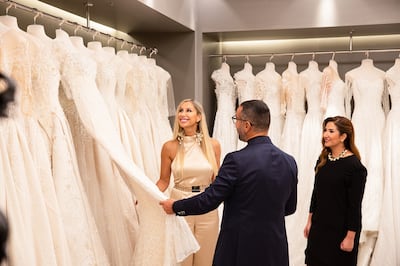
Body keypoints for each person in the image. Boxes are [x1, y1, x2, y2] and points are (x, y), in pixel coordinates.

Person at [160, 99, 298, 266]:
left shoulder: (236, 160)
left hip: (240, 248)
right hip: (275, 248)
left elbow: (210, 200)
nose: (235, 125)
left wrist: (175, 207)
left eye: (236, 120)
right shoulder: (289, 161)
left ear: (246, 125)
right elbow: (290, 208)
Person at [156, 98, 221, 266]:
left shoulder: (213, 145)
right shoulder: (169, 147)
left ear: (199, 117)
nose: (183, 114)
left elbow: (217, 181)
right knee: (181, 259)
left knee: (206, 258)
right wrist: (147, 193)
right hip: (178, 204)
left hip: (206, 206)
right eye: (180, 110)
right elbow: (163, 181)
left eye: (188, 110)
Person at [304, 116, 367, 266]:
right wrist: (309, 221)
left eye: (331, 131)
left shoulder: (355, 168)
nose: (325, 134)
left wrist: (351, 237)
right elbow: (316, 194)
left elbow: (354, 206)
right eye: (325, 130)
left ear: (343, 136)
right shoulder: (323, 159)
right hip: (319, 227)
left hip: (340, 230)